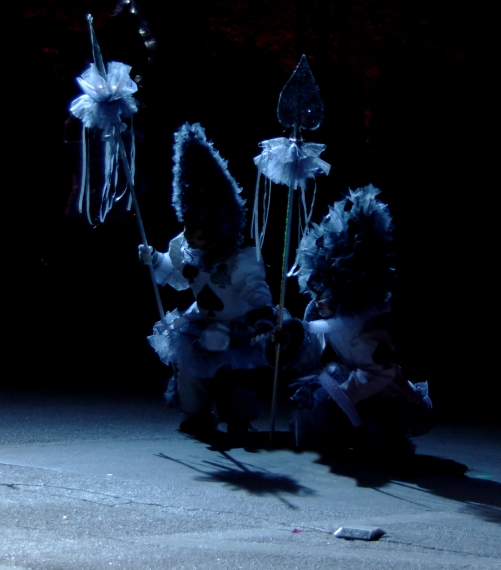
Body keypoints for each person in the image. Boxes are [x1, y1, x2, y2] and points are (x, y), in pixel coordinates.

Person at [140, 123, 277, 439]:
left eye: (197, 229)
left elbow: (256, 290)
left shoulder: (241, 259)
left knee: (237, 372)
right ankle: (196, 414)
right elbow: (178, 278)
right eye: (186, 225)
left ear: (218, 226)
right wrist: (156, 259)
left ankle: (238, 416)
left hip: (237, 323)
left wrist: (262, 316)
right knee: (190, 366)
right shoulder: (185, 248)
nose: (188, 234)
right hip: (201, 322)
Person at [284, 185, 432, 454]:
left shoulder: (366, 333)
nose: (318, 301)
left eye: (325, 294)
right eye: (316, 292)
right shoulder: (326, 317)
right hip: (357, 384)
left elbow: (381, 372)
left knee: (377, 436)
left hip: (387, 395)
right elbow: (311, 349)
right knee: (318, 390)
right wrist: (287, 338)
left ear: (346, 290)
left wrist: (342, 394)